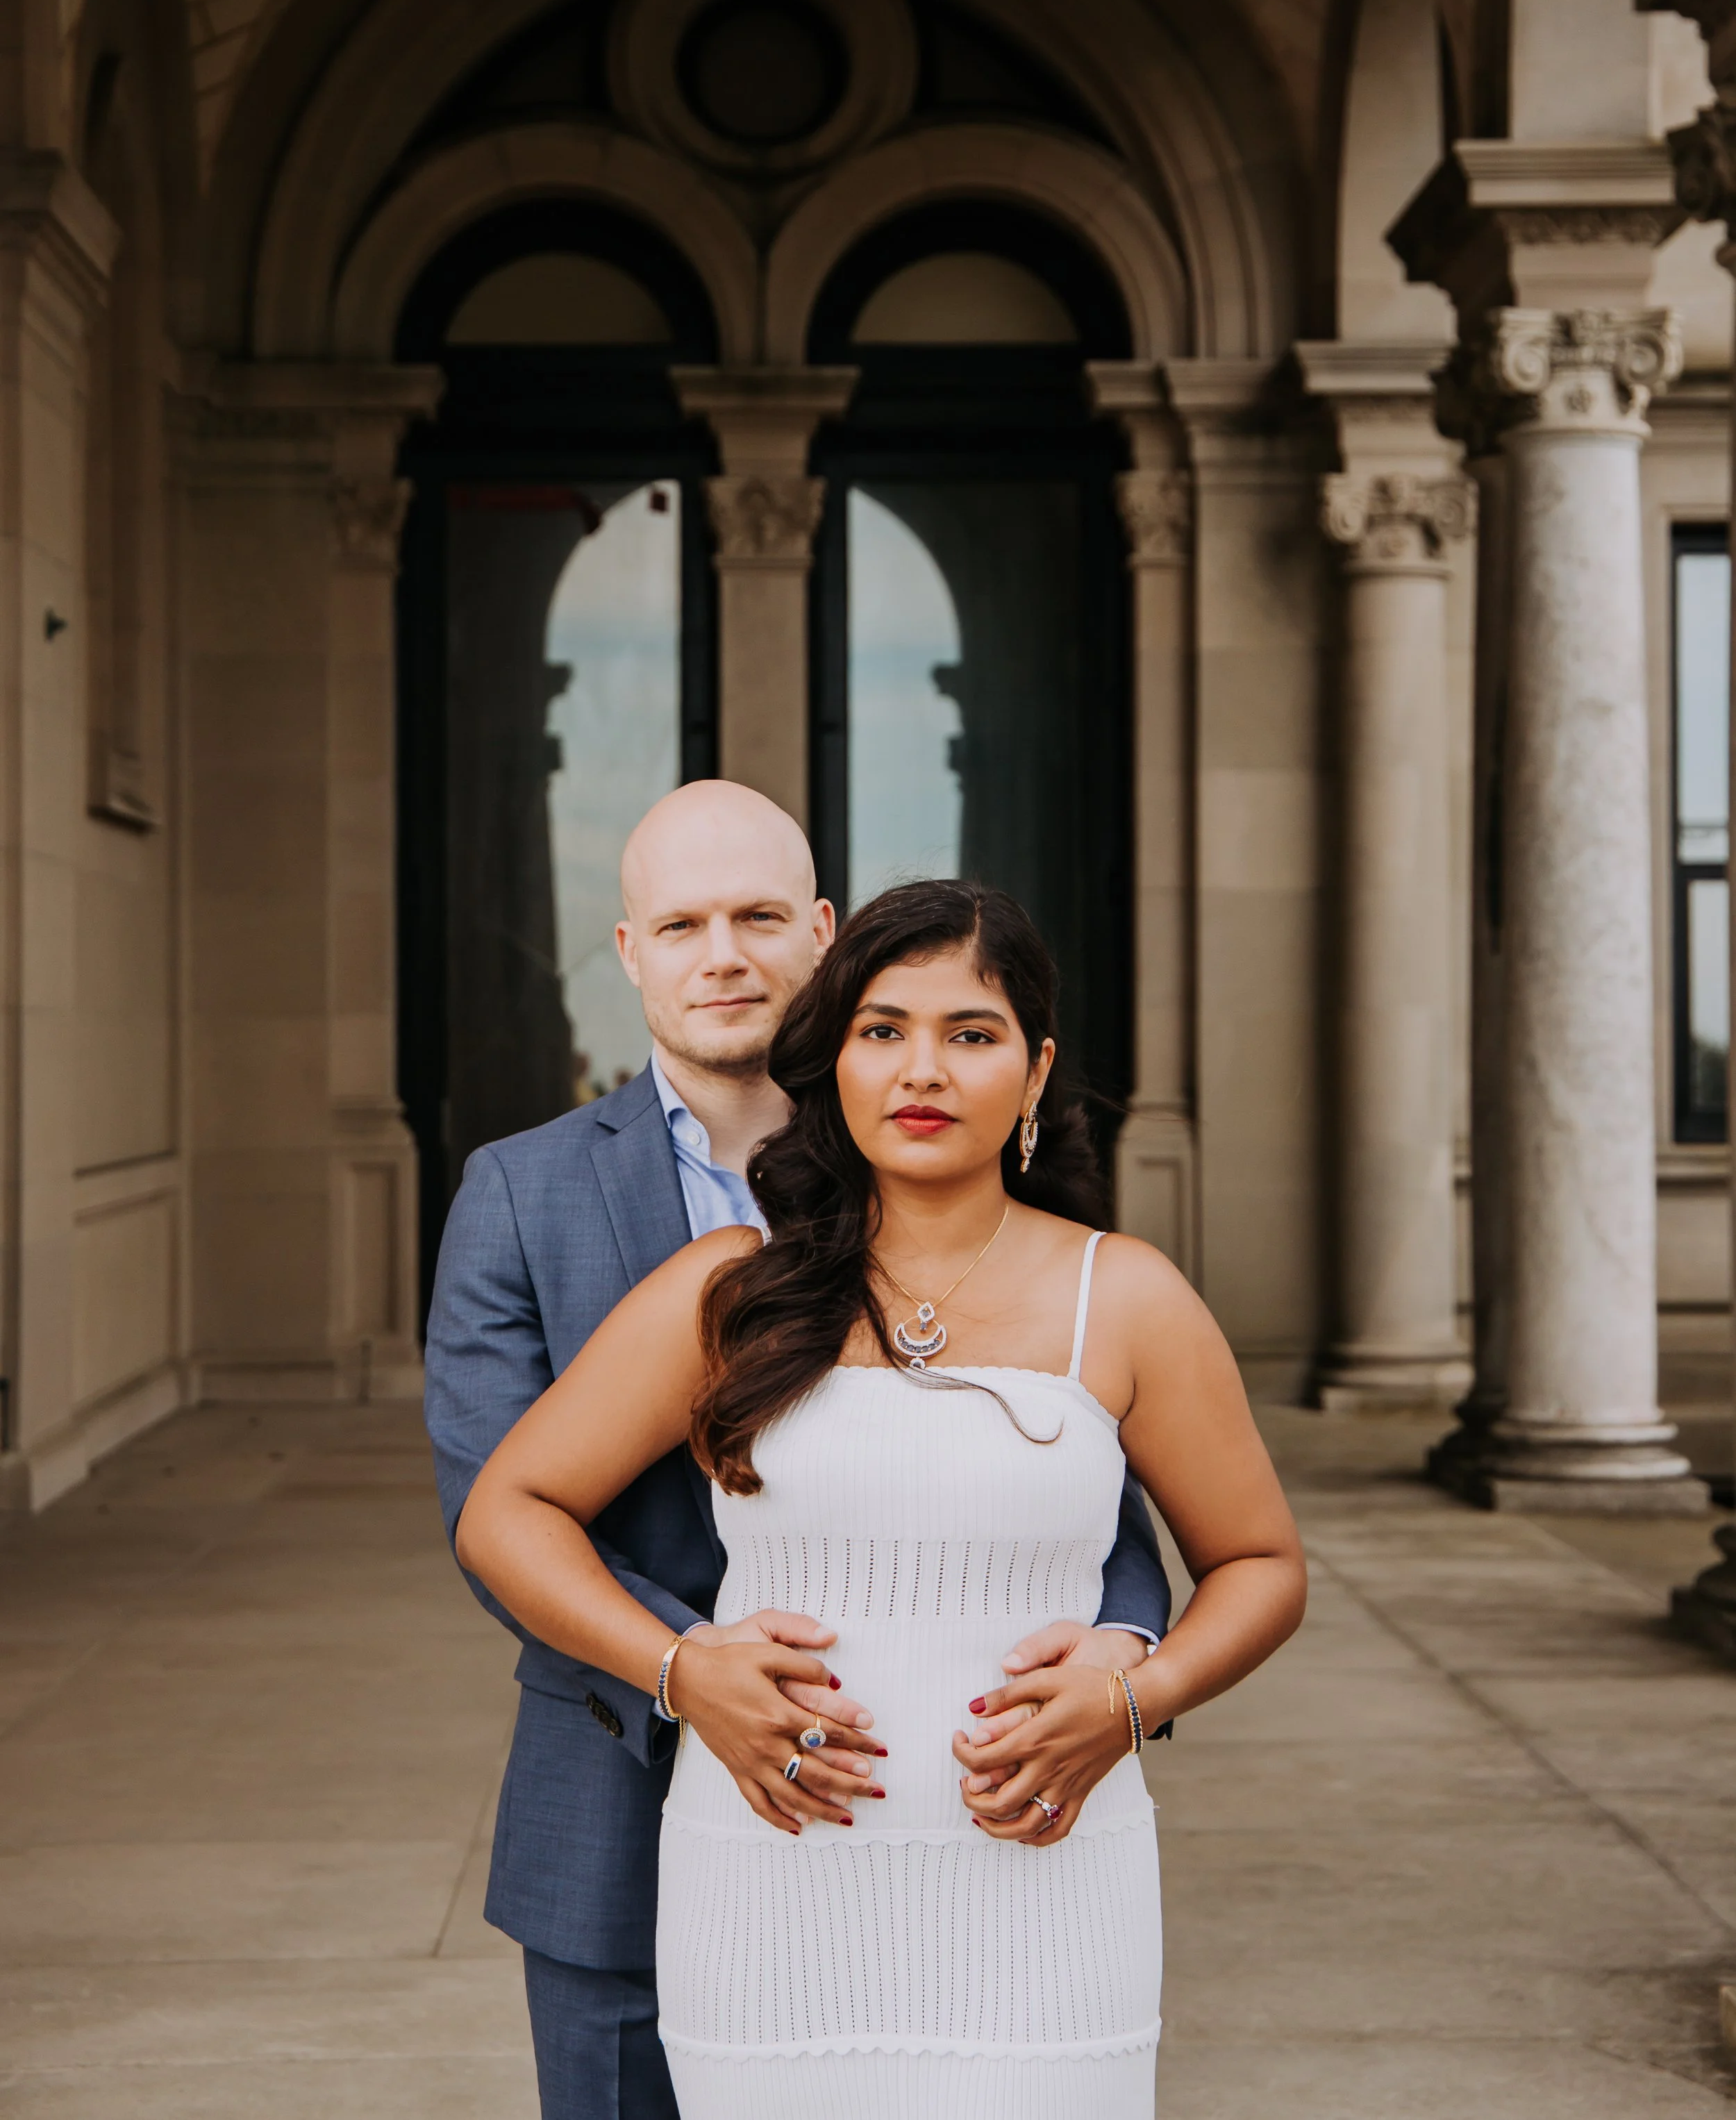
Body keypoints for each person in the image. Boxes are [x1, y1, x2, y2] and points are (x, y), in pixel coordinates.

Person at [457, 876, 1307, 2116]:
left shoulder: (1125, 1297)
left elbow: (1261, 1564)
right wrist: (679, 1668)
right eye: (882, 1029)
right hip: (768, 1888)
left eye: (971, 1034)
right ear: (833, 1062)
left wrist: (1135, 1696)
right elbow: (509, 1507)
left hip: (1048, 1894)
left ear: (1034, 1071)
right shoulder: (730, 1288)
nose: (924, 1068)